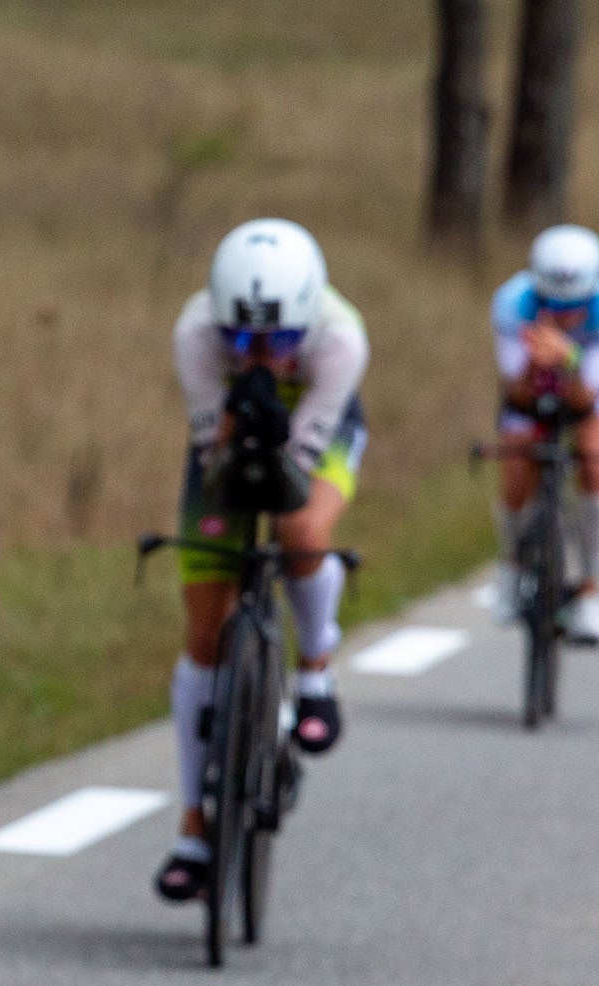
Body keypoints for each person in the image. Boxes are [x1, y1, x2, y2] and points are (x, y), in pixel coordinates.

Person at [155, 218, 369, 906]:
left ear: (304, 322)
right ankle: (194, 826)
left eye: (276, 341)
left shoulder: (338, 340)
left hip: (316, 428)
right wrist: (232, 422)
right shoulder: (195, 334)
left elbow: (299, 469)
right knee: (203, 624)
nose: (257, 352)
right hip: (225, 439)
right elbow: (213, 459)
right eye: (240, 339)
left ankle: (315, 672)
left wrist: (276, 421)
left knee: (301, 531)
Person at [490, 224, 599, 645]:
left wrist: (567, 354)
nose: (567, 314)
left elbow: (588, 393)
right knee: (516, 466)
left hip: (592, 396)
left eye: (577, 305)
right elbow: (516, 387)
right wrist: (538, 362)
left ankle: (591, 588)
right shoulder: (511, 304)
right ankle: (512, 566)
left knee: (594, 460)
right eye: (553, 304)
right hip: (529, 396)